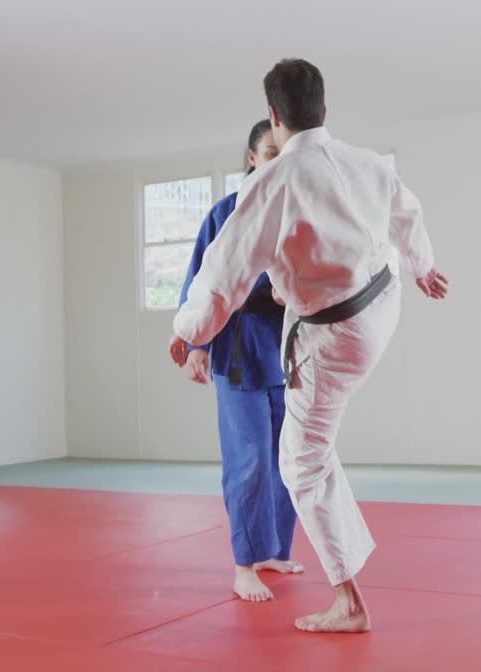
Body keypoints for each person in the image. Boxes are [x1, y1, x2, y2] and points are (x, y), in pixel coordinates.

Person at [171, 58, 449, 633]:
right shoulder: (367, 163)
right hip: (382, 306)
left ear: (274, 120)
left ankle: (348, 603)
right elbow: (407, 211)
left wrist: (189, 330)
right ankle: (340, 576)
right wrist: (423, 265)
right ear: (325, 110)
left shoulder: (274, 183)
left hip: (333, 333)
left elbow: (222, 271)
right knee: (311, 449)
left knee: (299, 460)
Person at [168, 119, 302, 603]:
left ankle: (272, 550)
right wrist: (196, 344)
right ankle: (244, 564)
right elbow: (199, 284)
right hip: (240, 350)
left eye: (283, 152)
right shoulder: (225, 213)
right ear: (251, 158)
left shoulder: (297, 213)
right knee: (249, 462)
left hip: (289, 354)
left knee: (288, 461)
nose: (277, 160)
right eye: (269, 153)